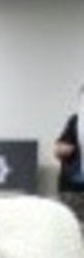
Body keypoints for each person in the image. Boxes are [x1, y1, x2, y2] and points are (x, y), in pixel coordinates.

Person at [54, 84, 84, 221]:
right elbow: (59, 150)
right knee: (71, 226)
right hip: (73, 186)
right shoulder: (75, 121)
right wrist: (64, 149)